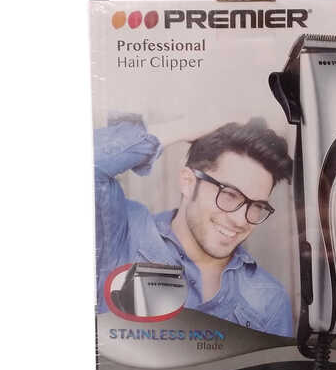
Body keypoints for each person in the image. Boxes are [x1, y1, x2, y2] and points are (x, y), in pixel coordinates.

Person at [94, 112, 293, 336]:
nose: (240, 220)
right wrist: (184, 126)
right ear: (188, 182)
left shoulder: (269, 300)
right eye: (229, 194)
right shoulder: (123, 236)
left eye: (256, 206)